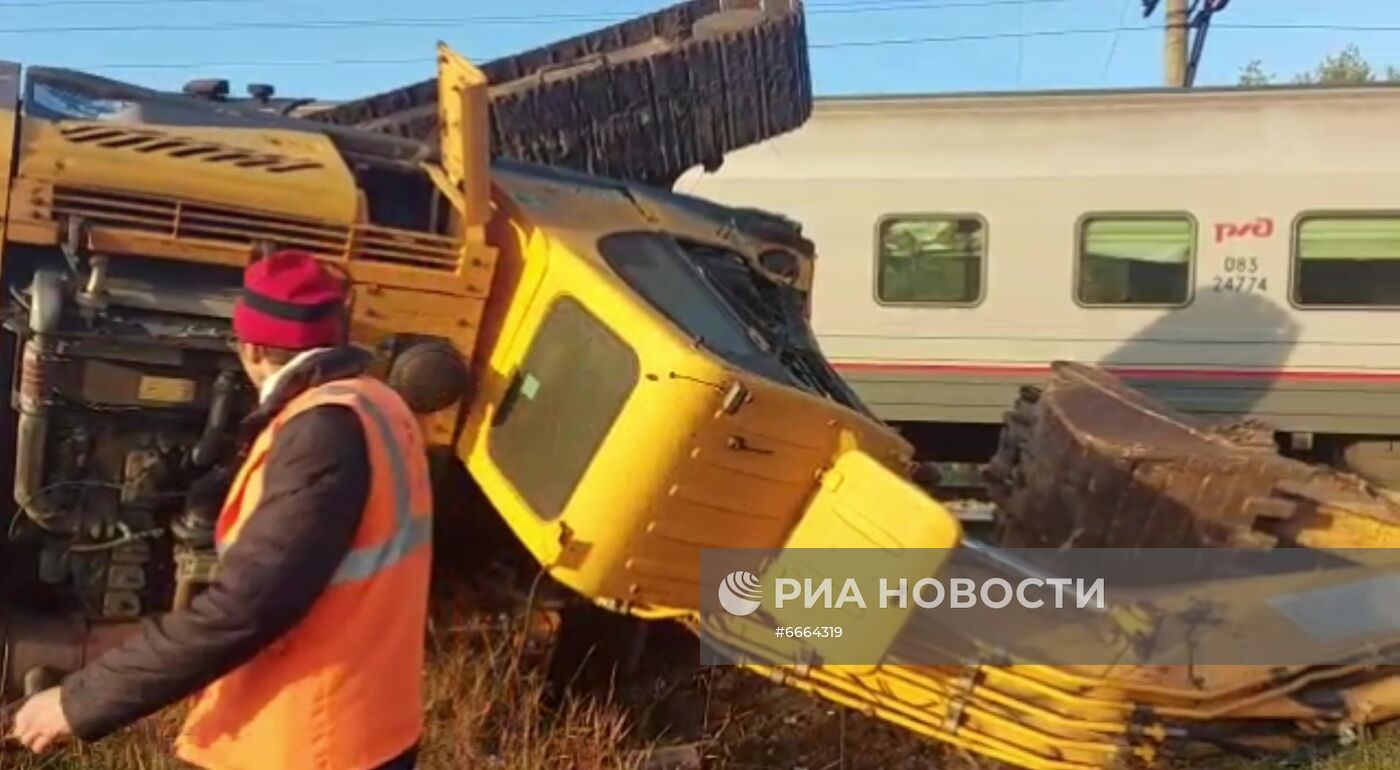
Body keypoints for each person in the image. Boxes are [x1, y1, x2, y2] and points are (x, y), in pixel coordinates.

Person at [8, 250, 434, 770]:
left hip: (299, 743)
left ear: (251, 345)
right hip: (371, 726)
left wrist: (77, 702)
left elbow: (243, 608)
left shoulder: (320, 434)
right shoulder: (379, 403)